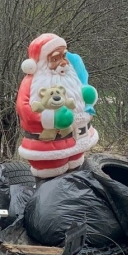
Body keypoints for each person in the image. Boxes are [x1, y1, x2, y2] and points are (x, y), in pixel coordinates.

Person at [16, 33, 98, 178]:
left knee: (77, 171)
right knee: (53, 176)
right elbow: (24, 110)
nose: (63, 62)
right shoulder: (33, 83)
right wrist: (52, 118)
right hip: (48, 147)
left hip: (79, 139)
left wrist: (87, 99)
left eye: (63, 56)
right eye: (55, 58)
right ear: (41, 63)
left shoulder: (71, 76)